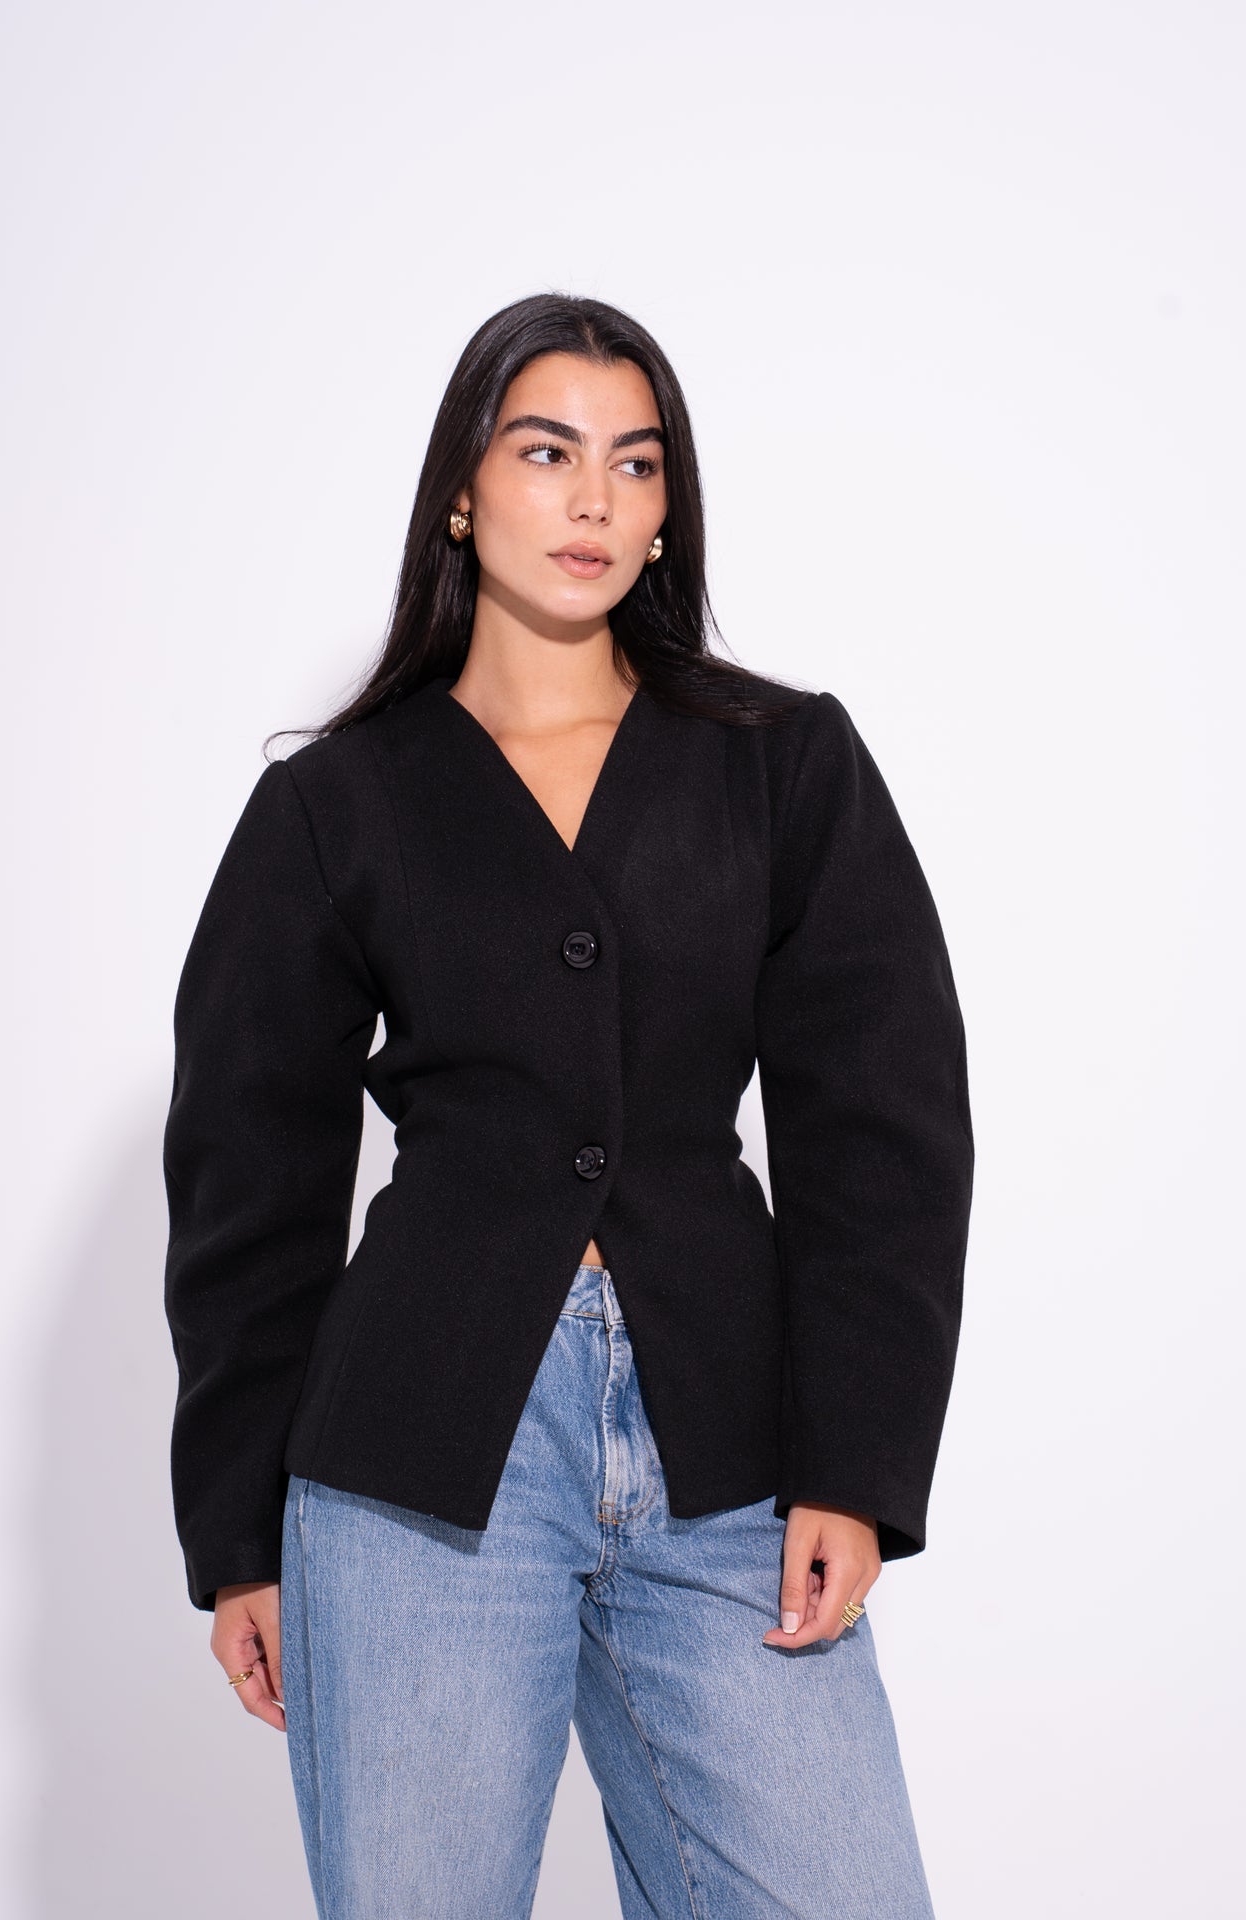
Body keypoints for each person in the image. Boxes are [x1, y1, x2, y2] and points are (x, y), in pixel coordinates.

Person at [162, 291, 975, 1919]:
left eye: (636, 462)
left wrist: (857, 1461)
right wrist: (240, 1534)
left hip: (730, 1444)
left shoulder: (781, 762)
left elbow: (883, 1126)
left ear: (670, 506)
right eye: (547, 453)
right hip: (417, 1461)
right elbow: (250, 1175)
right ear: (465, 487)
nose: (595, 498)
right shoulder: (338, 801)